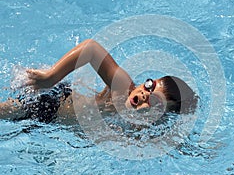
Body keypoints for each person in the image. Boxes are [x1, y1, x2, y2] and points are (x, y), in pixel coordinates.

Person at [0, 39, 198, 124]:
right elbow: (91, 49)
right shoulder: (122, 88)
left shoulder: (148, 129)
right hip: (51, 104)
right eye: (149, 85)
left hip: (56, 129)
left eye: (153, 100)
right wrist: (50, 78)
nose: (145, 94)